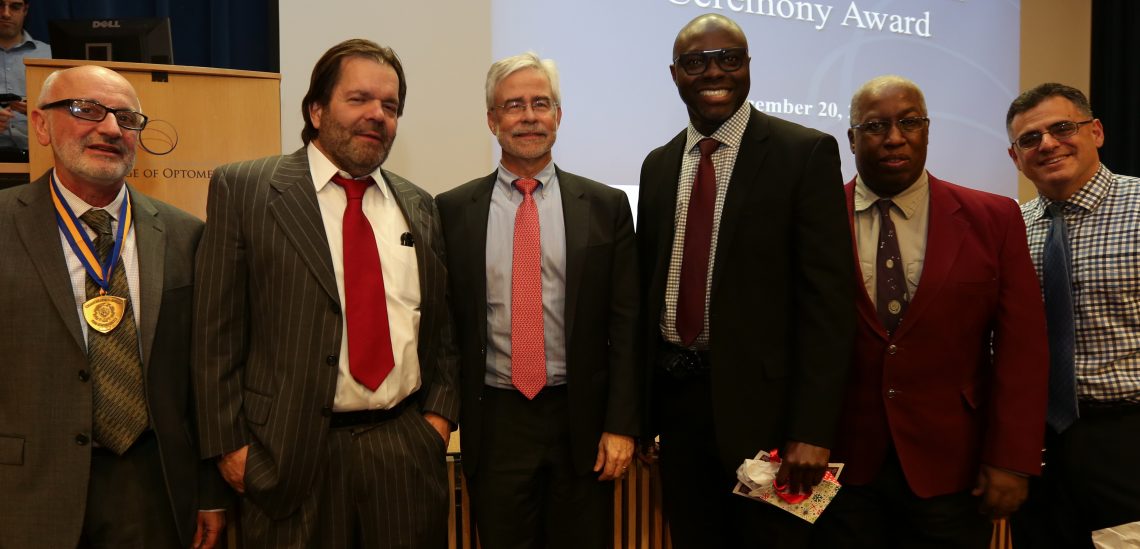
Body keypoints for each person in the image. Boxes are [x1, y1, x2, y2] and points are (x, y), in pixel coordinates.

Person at [193, 38, 459, 548]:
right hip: (287, 461)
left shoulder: (419, 205)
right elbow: (214, 335)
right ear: (316, 110)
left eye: (390, 106)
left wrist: (436, 422)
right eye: (358, 99)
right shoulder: (246, 189)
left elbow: (441, 326)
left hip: (402, 453)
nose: (377, 115)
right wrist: (231, 451)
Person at [637, 13, 854, 548]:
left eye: (729, 58)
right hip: (678, 414)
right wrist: (642, 413)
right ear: (674, 74)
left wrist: (812, 429)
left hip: (770, 423)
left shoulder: (803, 153)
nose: (714, 72)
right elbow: (646, 293)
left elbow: (827, 304)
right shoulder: (659, 165)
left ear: (748, 65)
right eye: (696, 62)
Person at [808, 75, 1050, 548]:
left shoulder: (993, 218)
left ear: (927, 130)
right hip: (840, 469)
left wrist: (1013, 459)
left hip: (955, 469)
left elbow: (1023, 348)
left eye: (909, 122)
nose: (895, 137)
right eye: (876, 125)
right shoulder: (814, 218)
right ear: (853, 138)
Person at [0, 65, 226, 548]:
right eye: (86, 110)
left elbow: (203, 376)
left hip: (154, 488)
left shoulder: (186, 234)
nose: (109, 129)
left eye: (126, 119)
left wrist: (210, 490)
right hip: (25, 490)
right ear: (41, 125)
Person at [436, 52, 639, 548]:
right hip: (496, 418)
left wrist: (622, 425)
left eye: (541, 104)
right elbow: (442, 326)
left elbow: (627, 324)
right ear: (492, 120)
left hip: (582, 422)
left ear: (559, 117)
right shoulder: (452, 209)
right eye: (513, 105)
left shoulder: (606, 207)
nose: (528, 116)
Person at [1006, 83, 1140, 548]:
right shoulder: (1009, 229)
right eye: (1029, 138)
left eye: (1062, 128)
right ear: (1014, 157)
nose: (1046, 143)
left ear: (1097, 131)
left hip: (1127, 438)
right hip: (1036, 449)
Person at [0, 0, 51, 161]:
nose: (5, 13)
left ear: (25, 10)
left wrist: (42, 112)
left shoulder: (50, 55)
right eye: (0, 5)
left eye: (15, 6)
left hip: (38, 158)